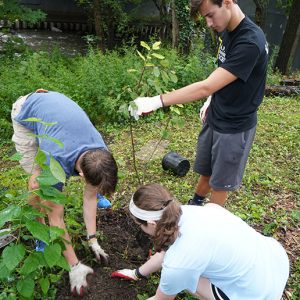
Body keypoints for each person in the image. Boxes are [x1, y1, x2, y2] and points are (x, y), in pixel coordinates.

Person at [128, 0, 269, 207]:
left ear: (227, 2)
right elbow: (224, 72)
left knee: (220, 183)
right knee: (206, 169)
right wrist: (211, 98)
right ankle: (196, 203)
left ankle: (210, 226)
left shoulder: (250, 41)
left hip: (234, 126)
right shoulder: (227, 29)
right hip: (217, 114)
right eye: (205, 18)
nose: (209, 24)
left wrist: (156, 101)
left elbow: (206, 86)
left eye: (210, 15)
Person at [11, 89, 118, 296]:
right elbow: (57, 219)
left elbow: (89, 196)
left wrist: (93, 239)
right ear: (81, 174)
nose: (93, 190)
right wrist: (74, 265)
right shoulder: (55, 163)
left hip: (53, 108)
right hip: (26, 112)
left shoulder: (100, 153)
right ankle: (39, 234)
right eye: (93, 186)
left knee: (90, 193)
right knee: (36, 184)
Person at [112, 183, 289, 300]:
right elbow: (169, 252)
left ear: (151, 224)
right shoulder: (199, 210)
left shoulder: (179, 261)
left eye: (138, 224)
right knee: (186, 270)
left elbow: (161, 298)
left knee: (185, 279)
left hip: (258, 294)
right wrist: (137, 273)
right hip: (274, 261)